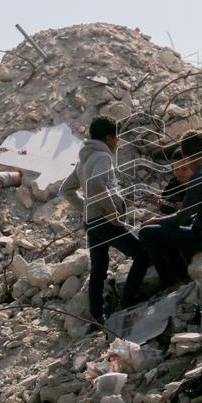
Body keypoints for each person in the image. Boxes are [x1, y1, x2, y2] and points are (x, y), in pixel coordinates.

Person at [59, 116, 149, 324]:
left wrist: (86, 208)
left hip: (92, 222)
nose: (117, 143)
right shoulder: (102, 157)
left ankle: (98, 315)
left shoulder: (84, 159)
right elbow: (97, 184)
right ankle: (127, 302)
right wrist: (111, 210)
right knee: (141, 255)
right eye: (116, 138)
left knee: (99, 269)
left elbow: (66, 190)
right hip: (104, 220)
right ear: (109, 137)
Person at [139, 131, 202, 289]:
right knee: (168, 231)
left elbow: (179, 218)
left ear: (184, 153)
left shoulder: (198, 178)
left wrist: (155, 220)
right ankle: (183, 275)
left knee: (146, 233)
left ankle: (171, 283)